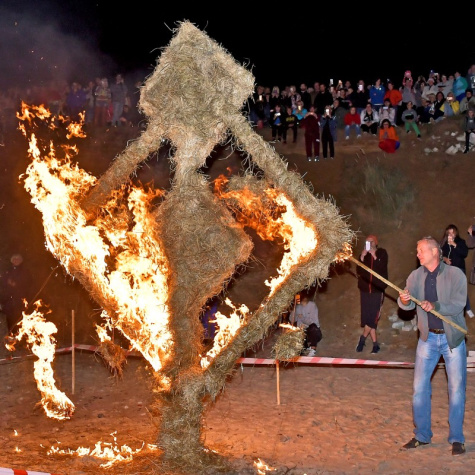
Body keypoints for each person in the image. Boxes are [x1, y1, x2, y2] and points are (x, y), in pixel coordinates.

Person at [398, 237, 467, 456]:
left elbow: (458, 304)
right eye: (417, 250)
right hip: (427, 339)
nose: (417, 254)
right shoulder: (415, 276)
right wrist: (405, 300)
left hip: (452, 340)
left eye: (421, 250)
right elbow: (406, 305)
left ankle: (456, 439)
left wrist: (435, 306)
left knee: (456, 390)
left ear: (435, 251)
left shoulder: (455, 274)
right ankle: (422, 435)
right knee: (419, 389)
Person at [355, 235, 388, 354]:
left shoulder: (382, 253)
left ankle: (362, 339)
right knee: (368, 317)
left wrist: (374, 255)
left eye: (371, 241)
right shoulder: (364, 255)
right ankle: (375, 344)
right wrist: (362, 256)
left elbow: (382, 268)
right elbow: (359, 271)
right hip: (365, 291)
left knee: (373, 318)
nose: (369, 244)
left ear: (376, 242)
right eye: (367, 242)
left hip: (376, 291)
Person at [440, 224, 473, 318]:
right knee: (449, 290)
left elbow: (464, 253)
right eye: (449, 233)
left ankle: (467, 308)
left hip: (459, 269)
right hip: (448, 270)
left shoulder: (461, 242)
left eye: (452, 233)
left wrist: (454, 244)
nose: (451, 235)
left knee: (461, 290)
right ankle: (450, 310)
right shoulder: (444, 243)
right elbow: (440, 255)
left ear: (456, 233)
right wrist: (445, 259)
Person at [0, 254, 34, 333]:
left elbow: (28, 283)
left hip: (20, 298)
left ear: (21, 260)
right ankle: (11, 334)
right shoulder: (8, 270)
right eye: (14, 259)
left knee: (19, 317)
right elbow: (3, 283)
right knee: (9, 318)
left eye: (18, 259)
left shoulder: (25, 271)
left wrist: (16, 284)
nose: (16, 260)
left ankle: (19, 335)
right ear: (11, 260)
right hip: (8, 299)